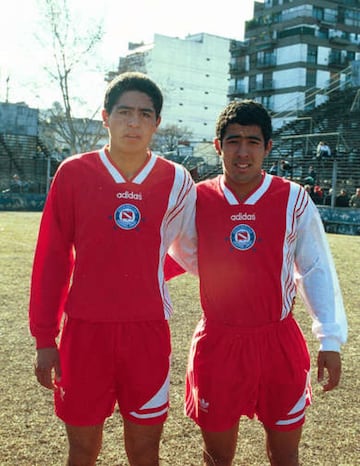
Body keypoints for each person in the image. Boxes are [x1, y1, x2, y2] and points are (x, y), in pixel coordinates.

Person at [29, 71, 197, 466]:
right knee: (83, 450)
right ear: (105, 117)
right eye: (124, 112)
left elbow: (190, 250)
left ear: (157, 123)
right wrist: (43, 338)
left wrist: (144, 272)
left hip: (147, 334)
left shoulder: (176, 180)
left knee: (144, 451)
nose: (133, 123)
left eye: (144, 114)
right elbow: (52, 257)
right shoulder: (73, 173)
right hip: (84, 334)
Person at [167, 100, 347, 466]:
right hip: (218, 343)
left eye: (253, 141)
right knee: (217, 458)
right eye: (233, 141)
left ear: (268, 147)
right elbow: (178, 251)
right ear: (218, 146)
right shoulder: (197, 198)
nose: (243, 152)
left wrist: (329, 338)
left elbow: (315, 268)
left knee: (284, 455)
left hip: (277, 342)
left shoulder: (293, 198)